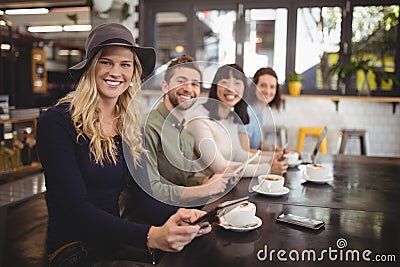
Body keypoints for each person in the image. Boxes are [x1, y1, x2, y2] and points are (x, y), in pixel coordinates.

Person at [36, 23, 211, 266]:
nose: (115, 72)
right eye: (106, 62)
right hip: (74, 251)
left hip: (113, 243)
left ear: (132, 73)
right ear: (90, 67)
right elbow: (76, 209)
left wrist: (191, 214)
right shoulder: (56, 122)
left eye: (125, 64)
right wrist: (151, 236)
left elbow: (145, 199)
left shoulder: (129, 126)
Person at [135, 55, 237, 207]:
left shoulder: (187, 134)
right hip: (150, 219)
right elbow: (151, 189)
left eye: (195, 84)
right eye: (181, 81)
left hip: (180, 210)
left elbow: (185, 181)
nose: (189, 88)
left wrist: (211, 179)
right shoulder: (146, 126)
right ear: (165, 86)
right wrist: (205, 189)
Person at [185, 64, 287, 177]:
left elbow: (238, 154)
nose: (230, 88)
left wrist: (270, 159)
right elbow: (220, 167)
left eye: (237, 83)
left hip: (225, 185)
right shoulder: (199, 119)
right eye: (224, 82)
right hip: (202, 188)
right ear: (215, 86)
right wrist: (268, 169)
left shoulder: (231, 117)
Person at [238, 67, 283, 152]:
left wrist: (277, 150)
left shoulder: (258, 113)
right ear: (254, 86)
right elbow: (244, 151)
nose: (267, 91)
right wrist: (272, 156)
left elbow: (258, 142)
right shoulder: (247, 113)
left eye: (272, 87)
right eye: (263, 85)